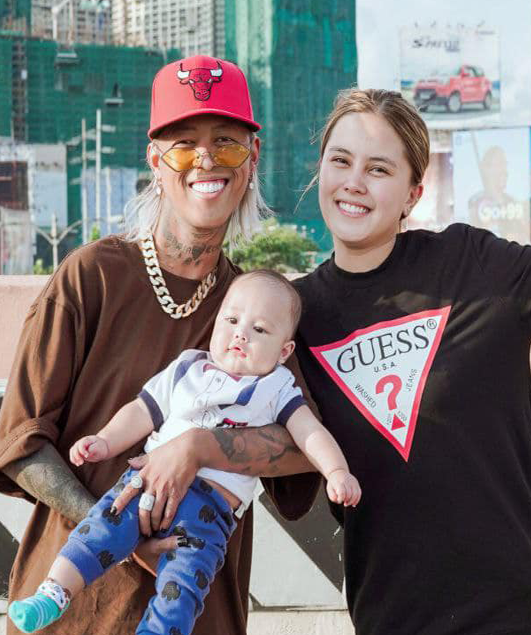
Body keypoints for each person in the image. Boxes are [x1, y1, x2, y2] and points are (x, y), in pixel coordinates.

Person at [122, 88, 531, 635]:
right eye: (340, 161)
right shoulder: (295, 318)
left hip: (511, 607)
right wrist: (187, 459)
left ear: (412, 192)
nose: (354, 182)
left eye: (379, 169)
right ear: (320, 173)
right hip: (389, 611)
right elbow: (272, 452)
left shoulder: (475, 267)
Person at [0, 56, 321, 635]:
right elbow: (20, 442)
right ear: (155, 160)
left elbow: (300, 450)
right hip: (72, 616)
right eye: (183, 143)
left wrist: (198, 446)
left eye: (225, 142)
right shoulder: (91, 275)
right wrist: (125, 534)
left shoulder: (255, 311)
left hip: (200, 618)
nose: (205, 159)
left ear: (251, 159)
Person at [7, 271, 359, 634]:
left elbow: (310, 432)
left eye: (260, 330)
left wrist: (336, 472)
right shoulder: (188, 368)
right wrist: (105, 441)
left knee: (184, 584)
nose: (241, 334)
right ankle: (53, 593)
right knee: (98, 531)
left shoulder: (276, 387)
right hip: (144, 487)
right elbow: (142, 411)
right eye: (233, 320)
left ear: (284, 351)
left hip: (207, 513)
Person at [466, 145, 529, 242]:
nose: (504, 171)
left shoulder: (513, 203)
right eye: (499, 164)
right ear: (486, 170)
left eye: (505, 165)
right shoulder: (476, 202)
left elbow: (524, 236)